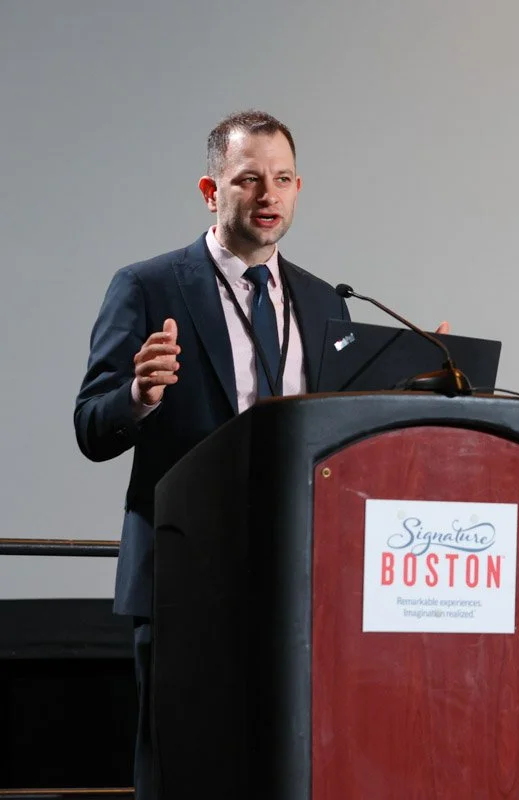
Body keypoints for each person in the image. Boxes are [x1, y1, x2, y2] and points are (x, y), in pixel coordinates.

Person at [74, 110, 357, 798]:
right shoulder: (148, 287)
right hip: (183, 572)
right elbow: (91, 426)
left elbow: (343, 438)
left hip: (303, 581)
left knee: (288, 767)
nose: (269, 195)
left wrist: (418, 388)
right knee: (183, 771)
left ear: (298, 189)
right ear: (211, 190)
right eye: (249, 179)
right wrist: (139, 396)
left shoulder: (326, 303)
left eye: (283, 179)